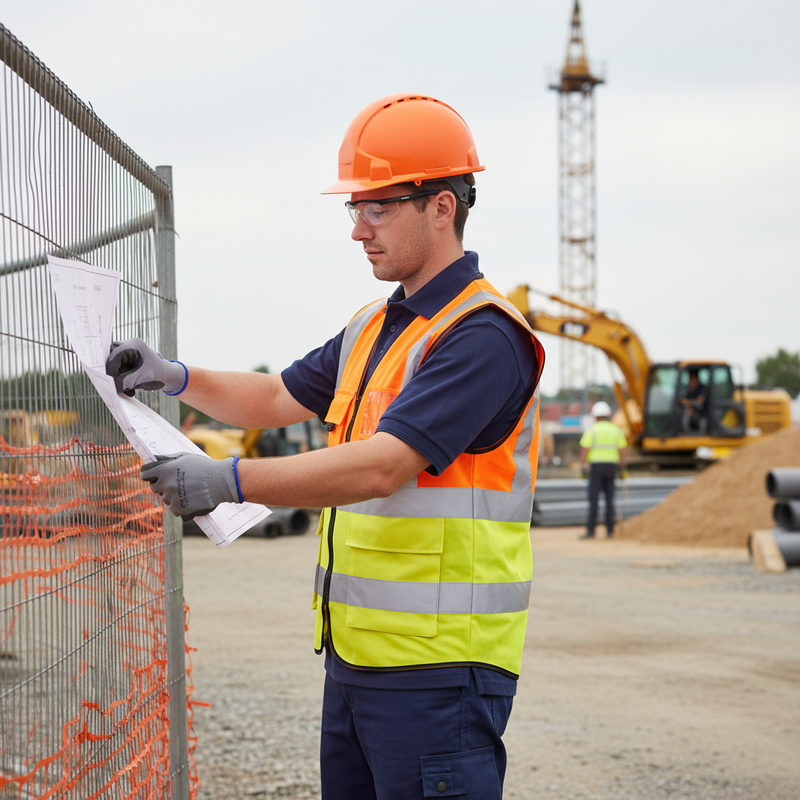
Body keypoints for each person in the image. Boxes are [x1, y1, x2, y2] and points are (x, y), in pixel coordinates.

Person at [105, 94, 545, 800]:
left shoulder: (483, 335)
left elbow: (383, 464)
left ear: (441, 206)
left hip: (438, 671)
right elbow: (278, 397)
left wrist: (227, 479)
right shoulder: (377, 324)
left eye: (378, 208)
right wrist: (175, 376)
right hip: (358, 662)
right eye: (355, 209)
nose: (358, 230)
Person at [578, 401, 628, 539]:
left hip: (596, 468)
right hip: (611, 468)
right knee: (609, 500)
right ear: (608, 415)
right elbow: (622, 451)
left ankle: (591, 532)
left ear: (595, 416)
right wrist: (623, 468)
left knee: (593, 501)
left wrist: (583, 468)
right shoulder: (616, 430)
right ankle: (610, 531)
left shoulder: (591, 430)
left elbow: (584, 451)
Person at [679, 368, 708, 433]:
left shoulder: (703, 389)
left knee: (688, 413)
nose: (690, 382)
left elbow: (699, 402)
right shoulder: (689, 389)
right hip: (691, 411)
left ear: (696, 379)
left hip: (701, 413)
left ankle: (688, 432)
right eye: (690, 379)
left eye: (692, 379)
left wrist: (688, 402)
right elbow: (683, 399)